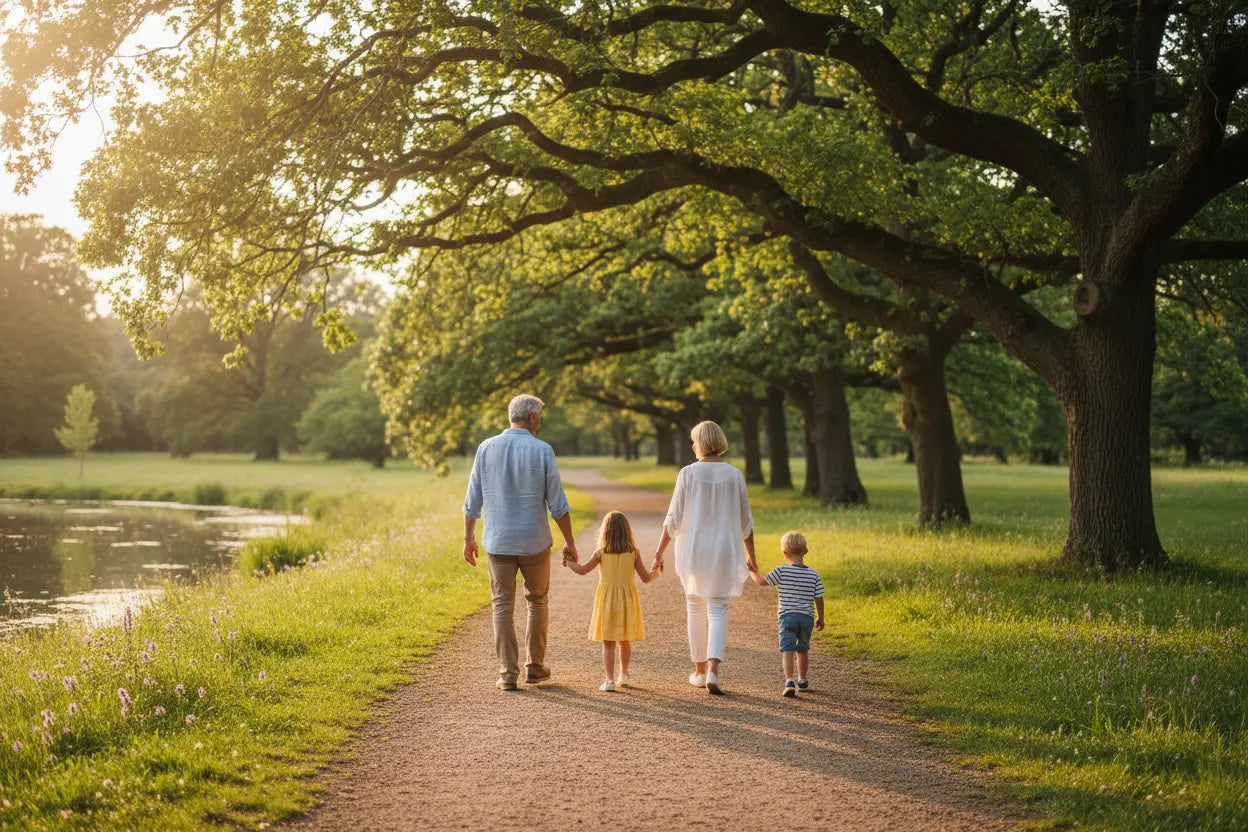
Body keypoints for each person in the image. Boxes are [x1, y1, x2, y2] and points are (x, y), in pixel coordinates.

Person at [463, 394, 578, 691]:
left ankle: (507, 673)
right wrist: (569, 542)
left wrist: (468, 538)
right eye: (540, 415)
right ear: (533, 418)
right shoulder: (543, 450)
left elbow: (472, 501)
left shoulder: (485, 448)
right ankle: (535, 667)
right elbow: (559, 505)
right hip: (534, 542)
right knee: (537, 601)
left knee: (502, 605)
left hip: (498, 541)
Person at [651, 420, 755, 695]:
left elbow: (673, 519)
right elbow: (746, 523)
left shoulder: (688, 473)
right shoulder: (735, 475)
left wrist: (660, 551)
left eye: (694, 441)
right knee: (718, 608)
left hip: (694, 549)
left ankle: (698, 671)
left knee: (695, 607)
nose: (693, 445)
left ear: (702, 443)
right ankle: (713, 671)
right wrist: (751, 557)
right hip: (723, 550)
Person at [565, 511, 662, 692]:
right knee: (624, 640)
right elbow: (646, 578)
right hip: (626, 601)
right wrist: (658, 571)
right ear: (627, 531)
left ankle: (609, 680)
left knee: (608, 642)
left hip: (607, 601)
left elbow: (582, 570)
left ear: (605, 531)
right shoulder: (634, 553)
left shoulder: (601, 552)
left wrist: (568, 562)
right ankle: (623, 674)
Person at [747, 531, 825, 697]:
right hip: (806, 618)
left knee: (787, 649)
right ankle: (802, 679)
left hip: (787, 617)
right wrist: (821, 617)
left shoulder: (781, 571)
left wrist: (753, 572)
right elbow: (819, 597)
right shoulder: (813, 574)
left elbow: (762, 581)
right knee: (803, 649)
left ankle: (789, 680)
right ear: (806, 551)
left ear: (784, 553)